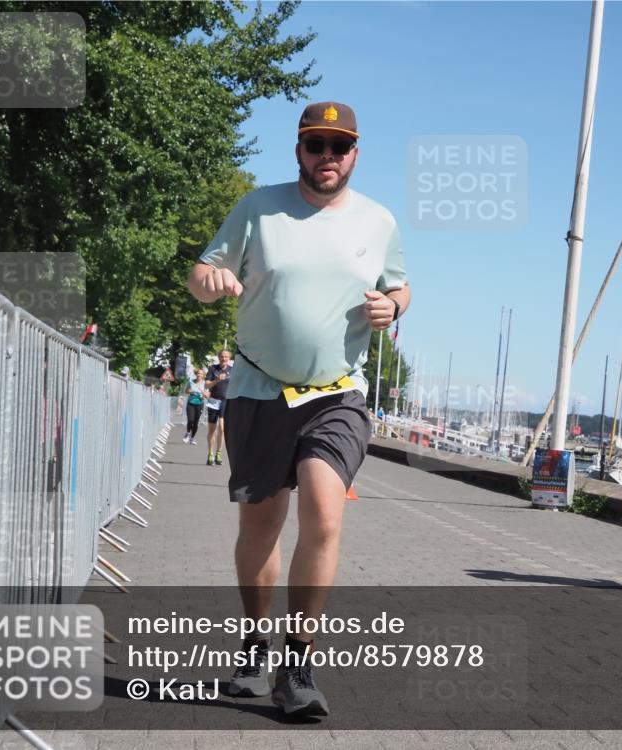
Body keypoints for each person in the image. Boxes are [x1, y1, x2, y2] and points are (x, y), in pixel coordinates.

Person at [186, 101, 409, 716]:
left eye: (340, 147)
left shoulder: (378, 220)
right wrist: (212, 282)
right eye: (316, 145)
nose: (327, 157)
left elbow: (399, 283)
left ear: (356, 153)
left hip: (337, 392)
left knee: (323, 513)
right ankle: (256, 644)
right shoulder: (258, 207)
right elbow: (202, 272)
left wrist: (396, 306)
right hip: (259, 389)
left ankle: (298, 665)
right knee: (259, 528)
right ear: (298, 150)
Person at [204, 350, 232, 465]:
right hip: (213, 401)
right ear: (218, 357)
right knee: (212, 429)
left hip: (226, 401)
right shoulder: (212, 369)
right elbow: (207, 385)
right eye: (221, 356)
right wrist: (217, 380)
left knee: (222, 428)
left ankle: (219, 452)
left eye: (226, 357)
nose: (223, 358)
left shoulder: (232, 370)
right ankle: (210, 453)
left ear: (229, 358)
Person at [183, 368, 207, 445]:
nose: (199, 375)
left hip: (199, 404)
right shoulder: (191, 382)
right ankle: (187, 433)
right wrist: (189, 391)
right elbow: (186, 391)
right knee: (190, 420)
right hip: (191, 403)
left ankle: (192, 438)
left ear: (203, 375)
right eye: (198, 373)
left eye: (201, 374)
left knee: (196, 422)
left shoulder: (205, 384)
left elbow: (207, 395)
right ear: (196, 374)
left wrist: (202, 395)